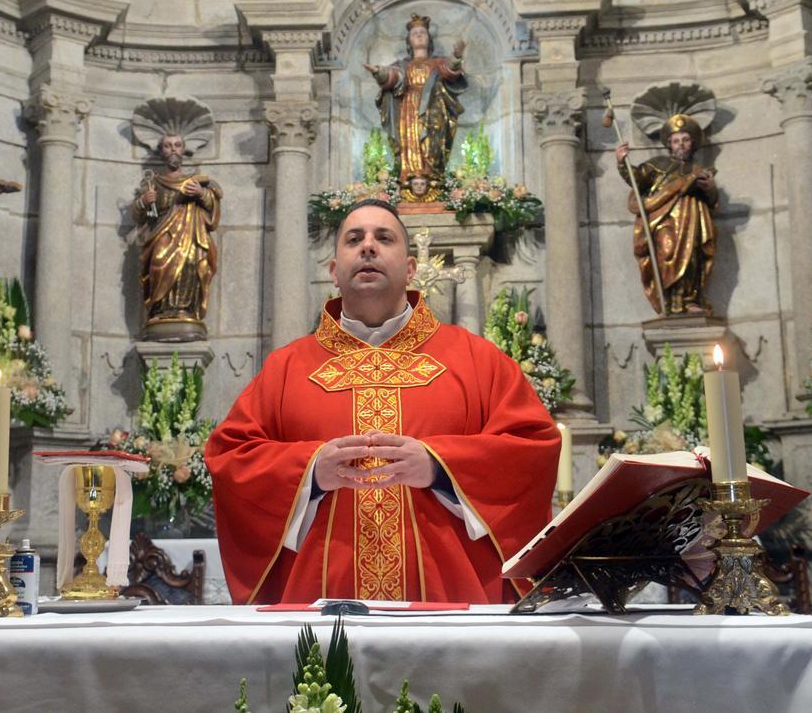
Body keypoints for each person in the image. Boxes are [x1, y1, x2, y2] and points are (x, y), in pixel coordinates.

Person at [205, 200, 560, 604]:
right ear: (334, 272)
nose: (368, 247)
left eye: (384, 238)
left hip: (450, 604)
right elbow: (230, 456)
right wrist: (309, 474)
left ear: (411, 269)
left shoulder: (477, 360)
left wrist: (442, 468)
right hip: (318, 613)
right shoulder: (287, 368)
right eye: (354, 239)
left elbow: (533, 447)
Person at [616, 114, 718, 315]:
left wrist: (710, 189)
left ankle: (689, 300)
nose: (681, 145)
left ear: (693, 143)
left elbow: (712, 202)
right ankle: (669, 301)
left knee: (691, 258)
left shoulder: (699, 170)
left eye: (686, 140)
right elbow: (636, 179)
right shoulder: (658, 164)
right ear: (669, 144)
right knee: (667, 252)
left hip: (692, 221)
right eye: (676, 141)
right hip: (664, 221)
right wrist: (622, 163)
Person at [365, 14, 468, 202]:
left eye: (422, 33)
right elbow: (392, 77)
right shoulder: (404, 65)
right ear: (409, 40)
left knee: (432, 142)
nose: (419, 36)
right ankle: (409, 177)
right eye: (415, 33)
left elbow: (450, 71)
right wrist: (378, 72)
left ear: (428, 39)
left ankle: (434, 177)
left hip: (433, 108)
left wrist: (456, 56)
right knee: (410, 142)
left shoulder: (437, 62)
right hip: (408, 108)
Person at [131, 133, 222, 339]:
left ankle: (185, 309)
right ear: (161, 151)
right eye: (167, 146)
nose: (173, 149)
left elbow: (212, 210)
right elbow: (138, 216)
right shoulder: (152, 183)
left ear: (183, 150)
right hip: (161, 235)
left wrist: (201, 194)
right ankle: (160, 310)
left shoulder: (195, 182)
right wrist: (144, 201)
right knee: (158, 264)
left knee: (190, 264)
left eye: (177, 145)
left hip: (191, 236)